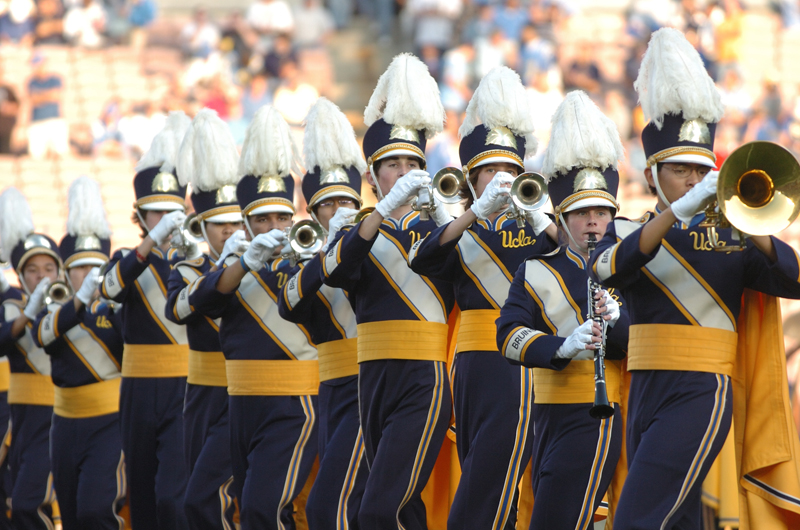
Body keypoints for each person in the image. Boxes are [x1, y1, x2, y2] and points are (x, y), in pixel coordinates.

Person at [589, 28, 800, 529]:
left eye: (700, 169)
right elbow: (603, 269)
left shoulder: (734, 237)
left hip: (701, 388)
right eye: (679, 168)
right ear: (652, 174)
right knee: (678, 521)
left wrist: (754, 225)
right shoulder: (629, 231)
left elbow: (793, 280)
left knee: (636, 521)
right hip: (643, 390)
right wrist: (673, 215)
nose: (691, 178)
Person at [409, 66, 556, 530]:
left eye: (510, 170)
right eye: (489, 170)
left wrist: (535, 214)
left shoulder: (539, 226)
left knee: (493, 477)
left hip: (518, 358)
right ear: (471, 178)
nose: (500, 178)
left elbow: (573, 258)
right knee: (480, 465)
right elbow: (424, 260)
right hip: (469, 363)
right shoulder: (460, 227)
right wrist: (473, 212)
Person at [322, 53, 454, 529]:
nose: (401, 172)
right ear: (372, 177)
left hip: (424, 376)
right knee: (395, 509)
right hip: (370, 377)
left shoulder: (442, 225)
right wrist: (377, 217)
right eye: (390, 164)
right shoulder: (355, 228)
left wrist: (444, 213)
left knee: (380, 509)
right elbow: (334, 271)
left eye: (410, 162)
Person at [497, 90, 629, 529]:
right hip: (544, 416)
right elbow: (508, 335)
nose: (593, 221)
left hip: (599, 412)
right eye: (581, 213)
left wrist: (618, 320)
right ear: (561, 215)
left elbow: (640, 339)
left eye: (601, 212)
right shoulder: (534, 268)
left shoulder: (628, 265)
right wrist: (562, 346)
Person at [188, 106, 318, 530]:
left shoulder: (308, 260)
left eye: (283, 216)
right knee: (227, 506)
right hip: (240, 403)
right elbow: (202, 303)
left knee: (266, 509)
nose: (275, 226)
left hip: (294, 401)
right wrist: (243, 261)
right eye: (262, 218)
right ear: (246, 223)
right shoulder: (231, 265)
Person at [278, 97, 368, 529]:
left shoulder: (381, 244)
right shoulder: (302, 263)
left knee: (330, 508)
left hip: (372, 385)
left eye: (346, 202)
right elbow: (290, 304)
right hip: (328, 391)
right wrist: (324, 254)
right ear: (312, 214)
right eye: (327, 206)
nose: (339, 213)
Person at [100, 111, 191, 530]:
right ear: (140, 216)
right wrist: (151, 243)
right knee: (141, 491)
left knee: (174, 494)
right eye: (155, 213)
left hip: (184, 386)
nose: (166, 221)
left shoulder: (194, 260)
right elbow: (111, 290)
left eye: (172, 212)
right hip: (138, 388)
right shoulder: (127, 260)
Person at [32, 176, 125, 530]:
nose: (88, 274)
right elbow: (45, 337)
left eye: (95, 267)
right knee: (70, 516)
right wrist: (80, 300)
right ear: (67, 273)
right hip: (64, 423)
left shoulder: (119, 307)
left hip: (109, 421)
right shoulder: (52, 310)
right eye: (79, 268)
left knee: (95, 511)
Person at [166, 108, 243, 530]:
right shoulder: (189, 269)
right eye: (220, 226)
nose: (230, 233)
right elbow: (177, 310)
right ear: (203, 226)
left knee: (208, 498)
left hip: (243, 392)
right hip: (199, 396)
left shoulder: (261, 263)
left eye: (236, 223)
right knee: (195, 499)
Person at [0, 188, 60, 529]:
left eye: (49, 268)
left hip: (57, 416)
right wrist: (26, 315)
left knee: (31, 503)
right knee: (18, 503)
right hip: (21, 419)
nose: (41, 276)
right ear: (21, 277)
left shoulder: (73, 307)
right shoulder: (13, 307)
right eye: (33, 270)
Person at [27, 53, 68, 159]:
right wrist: (48, 95)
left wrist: (40, 96)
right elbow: (33, 100)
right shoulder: (31, 82)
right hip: (37, 121)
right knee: (36, 154)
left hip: (54, 120)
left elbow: (56, 96)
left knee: (60, 151)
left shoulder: (55, 79)